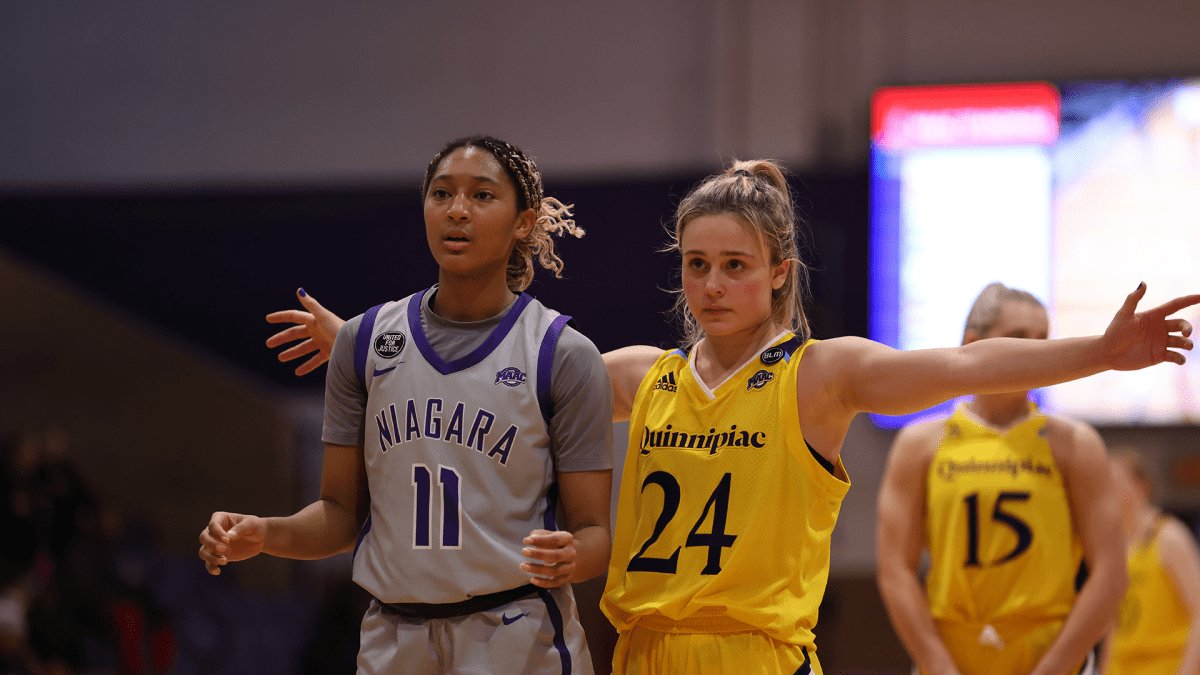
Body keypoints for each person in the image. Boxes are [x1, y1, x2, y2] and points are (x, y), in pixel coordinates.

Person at [263, 159, 1199, 675]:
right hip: (641, 649)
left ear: (779, 272)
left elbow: (962, 361)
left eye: (736, 265)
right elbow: (500, 368)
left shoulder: (819, 376)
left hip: (753, 656)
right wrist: (354, 337)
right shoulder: (644, 374)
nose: (712, 285)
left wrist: (1097, 352)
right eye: (697, 264)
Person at [198, 135, 615, 675]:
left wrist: (573, 558)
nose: (457, 210)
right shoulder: (363, 341)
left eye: (482, 196)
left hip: (514, 637)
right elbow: (340, 516)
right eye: (442, 193)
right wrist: (265, 533)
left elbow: (595, 535)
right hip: (392, 639)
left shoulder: (562, 353)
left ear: (523, 222)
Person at [874, 283, 1126, 675]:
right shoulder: (920, 444)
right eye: (1019, 339)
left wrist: (1055, 668)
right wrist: (937, 663)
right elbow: (895, 570)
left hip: (1053, 658)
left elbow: (1110, 573)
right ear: (973, 342)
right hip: (950, 658)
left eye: (1043, 341)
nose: (1035, 353)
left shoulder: (1076, 443)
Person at [1103, 448, 1200, 675]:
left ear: (1140, 485)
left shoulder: (1169, 537)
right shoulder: (1116, 547)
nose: (1107, 491)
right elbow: (1114, 627)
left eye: (1114, 482)